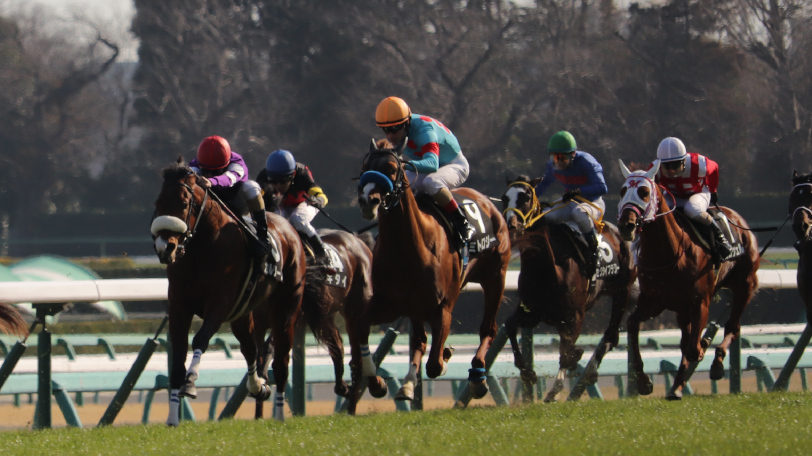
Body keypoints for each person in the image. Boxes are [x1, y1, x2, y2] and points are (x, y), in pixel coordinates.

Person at [375, 96, 475, 244]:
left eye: (394, 129)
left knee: (432, 182)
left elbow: (432, 164)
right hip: (426, 167)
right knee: (400, 185)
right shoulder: (401, 131)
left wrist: (403, 166)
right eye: (385, 130)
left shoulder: (424, 130)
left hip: (454, 165)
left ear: (406, 123)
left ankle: (462, 222)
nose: (390, 135)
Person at [534, 131, 607, 275]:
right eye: (555, 156)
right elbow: (544, 185)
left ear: (573, 154)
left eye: (563, 157)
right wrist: (530, 198)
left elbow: (602, 188)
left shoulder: (587, 162)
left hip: (593, 203)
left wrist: (578, 191)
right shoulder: (552, 165)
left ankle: (594, 249)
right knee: (545, 216)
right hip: (572, 201)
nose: (558, 161)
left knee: (579, 214)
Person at [650, 136, 733, 262]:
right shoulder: (654, 168)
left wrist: (712, 189)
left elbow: (714, 168)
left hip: (698, 193)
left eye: (676, 164)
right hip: (673, 196)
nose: (671, 170)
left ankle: (720, 238)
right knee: (658, 212)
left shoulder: (699, 164)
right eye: (666, 166)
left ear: (684, 160)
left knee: (691, 209)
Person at [190, 135, 270, 260]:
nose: (209, 174)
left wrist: (212, 181)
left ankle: (262, 235)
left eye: (216, 171)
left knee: (251, 186)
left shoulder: (237, 163)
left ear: (227, 164)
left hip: (237, 203)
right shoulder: (195, 164)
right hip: (211, 204)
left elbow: (229, 179)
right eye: (206, 171)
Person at [256, 149, 329, 265]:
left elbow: (322, 196)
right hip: (283, 206)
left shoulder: (302, 175)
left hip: (305, 203)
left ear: (293, 175)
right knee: (275, 222)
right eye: (273, 180)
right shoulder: (264, 176)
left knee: (298, 219)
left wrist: (318, 200)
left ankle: (322, 253)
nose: (278, 185)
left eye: (283, 180)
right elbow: (256, 198)